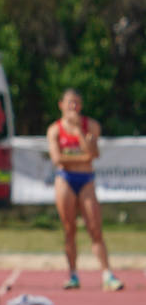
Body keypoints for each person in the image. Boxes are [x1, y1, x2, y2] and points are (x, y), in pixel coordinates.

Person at [47, 88, 123, 291]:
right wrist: (82, 158)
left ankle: (107, 274)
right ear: (61, 105)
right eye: (70, 102)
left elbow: (94, 154)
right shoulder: (54, 130)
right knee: (69, 229)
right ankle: (73, 274)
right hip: (65, 180)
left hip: (86, 179)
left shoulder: (91, 126)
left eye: (77, 103)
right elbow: (58, 159)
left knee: (95, 228)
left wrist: (79, 132)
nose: (73, 107)